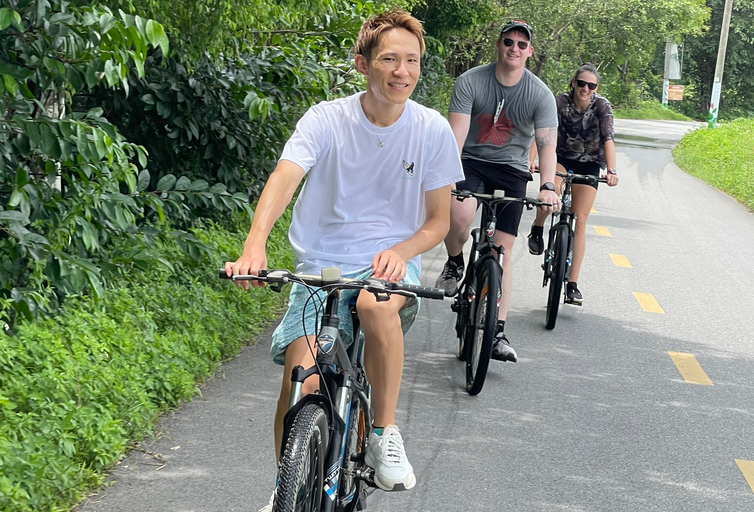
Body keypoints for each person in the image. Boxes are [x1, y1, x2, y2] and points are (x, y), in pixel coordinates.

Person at [224, 9, 463, 511]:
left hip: (390, 264)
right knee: (302, 374)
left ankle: (382, 431)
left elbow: (438, 221)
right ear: (363, 64)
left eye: (412, 61)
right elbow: (286, 176)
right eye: (390, 59)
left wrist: (400, 252)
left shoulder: (431, 129)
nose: (403, 71)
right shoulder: (326, 118)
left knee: (377, 307)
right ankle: (285, 487)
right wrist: (254, 244)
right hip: (323, 263)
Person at [435, 19, 561, 363]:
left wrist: (548, 185)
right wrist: (446, 176)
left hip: (513, 170)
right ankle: (454, 262)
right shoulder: (470, 81)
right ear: (499, 44)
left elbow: (547, 145)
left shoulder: (539, 94)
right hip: (471, 160)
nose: (515, 49)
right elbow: (456, 136)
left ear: (529, 51)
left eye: (522, 44)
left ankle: (498, 332)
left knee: (502, 253)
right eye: (509, 42)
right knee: (459, 213)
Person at [526, 63, 619, 305]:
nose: (585, 89)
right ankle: (537, 228)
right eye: (581, 83)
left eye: (591, 85)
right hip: (559, 158)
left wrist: (612, 170)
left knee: (581, 219)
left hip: (589, 163)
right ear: (573, 83)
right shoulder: (559, 102)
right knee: (551, 193)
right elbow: (543, 133)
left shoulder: (602, 106)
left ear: (596, 88)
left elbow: (608, 138)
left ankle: (573, 284)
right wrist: (531, 160)